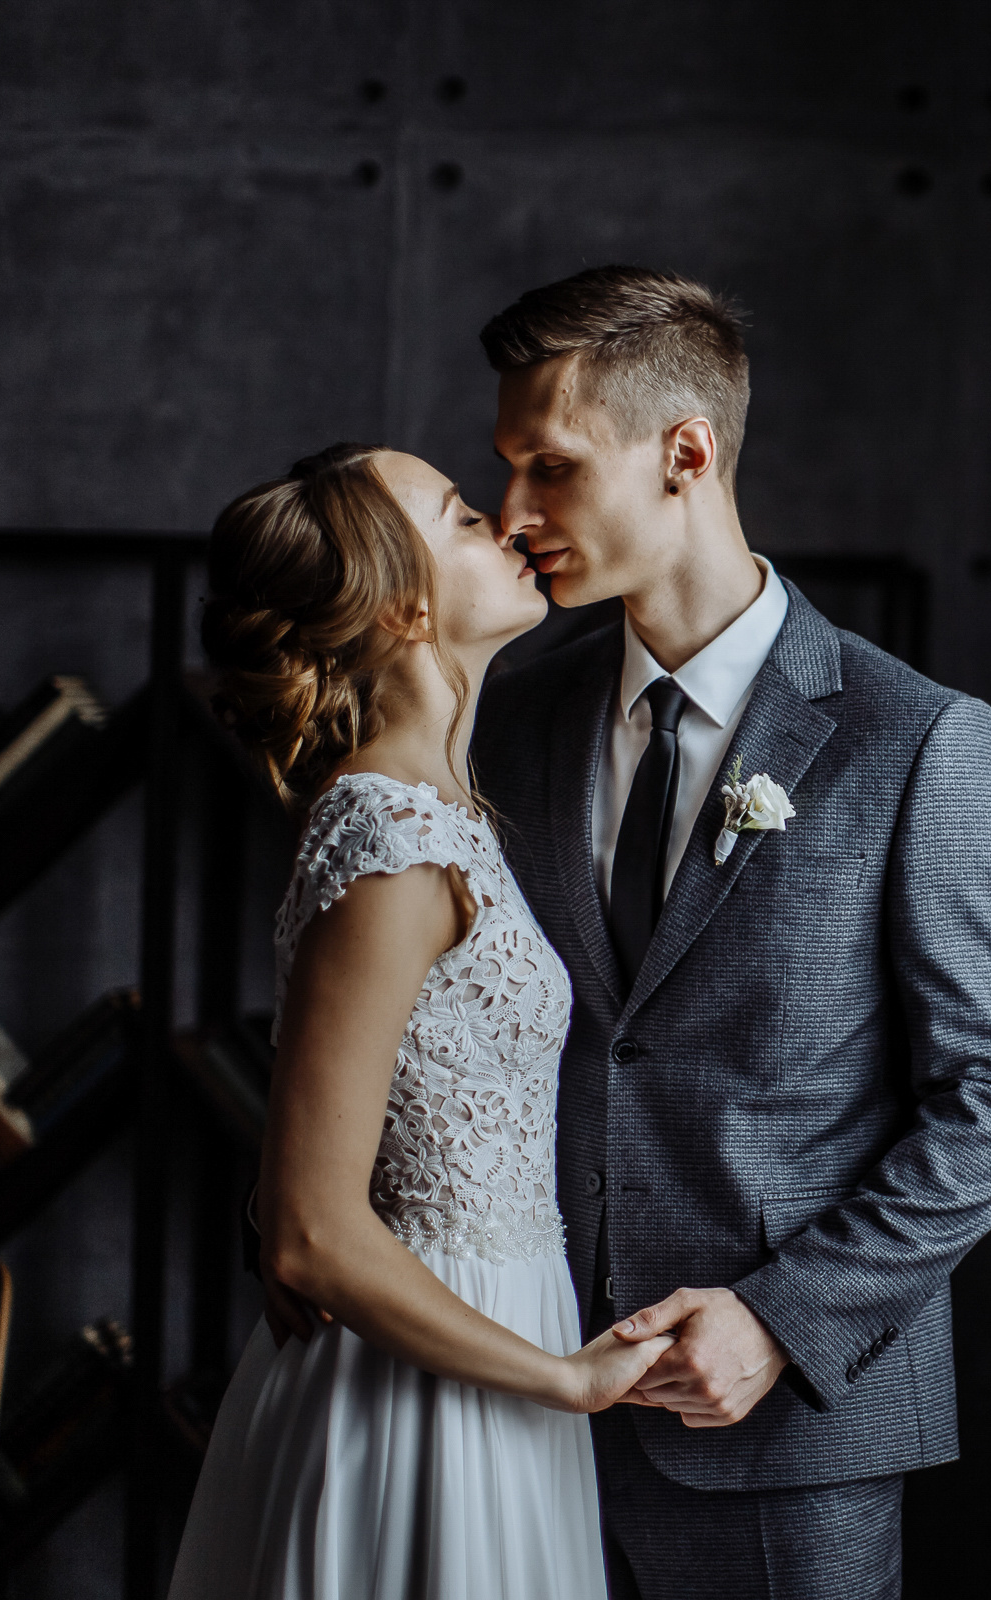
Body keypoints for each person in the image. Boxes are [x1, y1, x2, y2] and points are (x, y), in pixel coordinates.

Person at [461, 265, 991, 1597]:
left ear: (687, 452)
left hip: (780, 1425)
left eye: (551, 469)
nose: (514, 516)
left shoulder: (916, 740)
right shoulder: (511, 713)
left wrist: (782, 1324)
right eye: (505, 471)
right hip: (518, 1401)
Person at [167, 442, 670, 1600]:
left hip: (485, 1341)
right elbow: (308, 1235)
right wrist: (567, 1383)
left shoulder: (442, 812)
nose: (504, 522)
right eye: (459, 514)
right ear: (403, 604)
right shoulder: (394, 839)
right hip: (428, 1388)